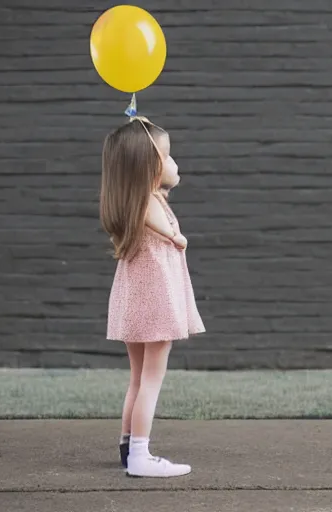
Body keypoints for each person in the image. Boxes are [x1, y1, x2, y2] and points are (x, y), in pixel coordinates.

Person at [99, 115, 205, 478]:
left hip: (135, 302)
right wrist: (176, 238)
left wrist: (139, 130)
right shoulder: (147, 202)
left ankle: (129, 445)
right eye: (169, 157)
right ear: (153, 167)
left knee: (138, 378)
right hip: (155, 302)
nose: (176, 164)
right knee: (151, 380)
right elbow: (158, 224)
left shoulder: (135, 201)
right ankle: (141, 456)